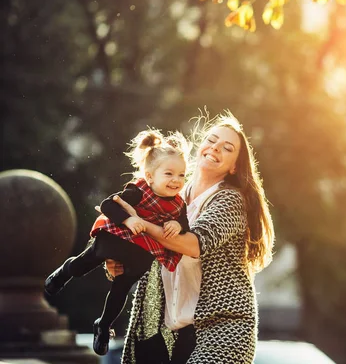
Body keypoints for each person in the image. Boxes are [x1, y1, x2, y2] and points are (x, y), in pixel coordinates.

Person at [104, 111, 275, 364]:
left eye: (226, 148)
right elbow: (144, 251)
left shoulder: (230, 199)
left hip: (221, 329)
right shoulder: (170, 195)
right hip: (168, 330)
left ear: (234, 166)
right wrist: (118, 264)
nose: (215, 148)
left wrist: (140, 224)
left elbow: (193, 244)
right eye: (211, 140)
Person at [44, 129, 191, 356]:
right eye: (169, 174)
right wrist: (130, 218)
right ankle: (64, 272)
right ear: (150, 176)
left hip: (141, 251)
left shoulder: (179, 204)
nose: (176, 180)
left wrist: (178, 226)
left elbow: (185, 224)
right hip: (118, 237)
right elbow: (107, 205)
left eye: (181, 175)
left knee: (121, 288)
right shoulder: (138, 191)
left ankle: (103, 326)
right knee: (86, 263)